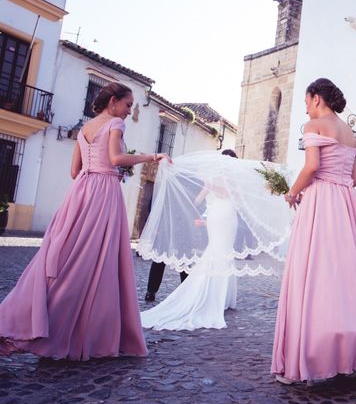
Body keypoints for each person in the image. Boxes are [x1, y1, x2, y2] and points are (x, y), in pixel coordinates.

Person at [0, 82, 169, 360]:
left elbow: (74, 171)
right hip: (103, 193)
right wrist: (152, 156)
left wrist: (105, 168)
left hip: (80, 192)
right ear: (113, 102)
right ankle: (88, 333)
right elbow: (115, 157)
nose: (129, 111)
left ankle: (33, 318)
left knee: (68, 255)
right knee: (97, 260)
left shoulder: (84, 129)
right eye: (128, 105)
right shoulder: (116, 123)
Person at [271, 78, 356, 384]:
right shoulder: (349, 132)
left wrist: (291, 193)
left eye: (305, 102)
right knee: (345, 275)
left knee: (313, 272)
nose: (306, 109)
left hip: (321, 203)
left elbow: (311, 166)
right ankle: (352, 351)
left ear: (315, 98)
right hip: (345, 204)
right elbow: (354, 178)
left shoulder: (314, 127)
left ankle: (311, 356)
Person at [140, 150, 241, 330]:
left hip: (226, 216)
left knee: (224, 251)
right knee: (216, 250)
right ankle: (203, 293)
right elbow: (198, 199)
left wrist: (209, 187)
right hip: (219, 217)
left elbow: (227, 194)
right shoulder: (214, 177)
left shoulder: (231, 177)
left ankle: (222, 295)